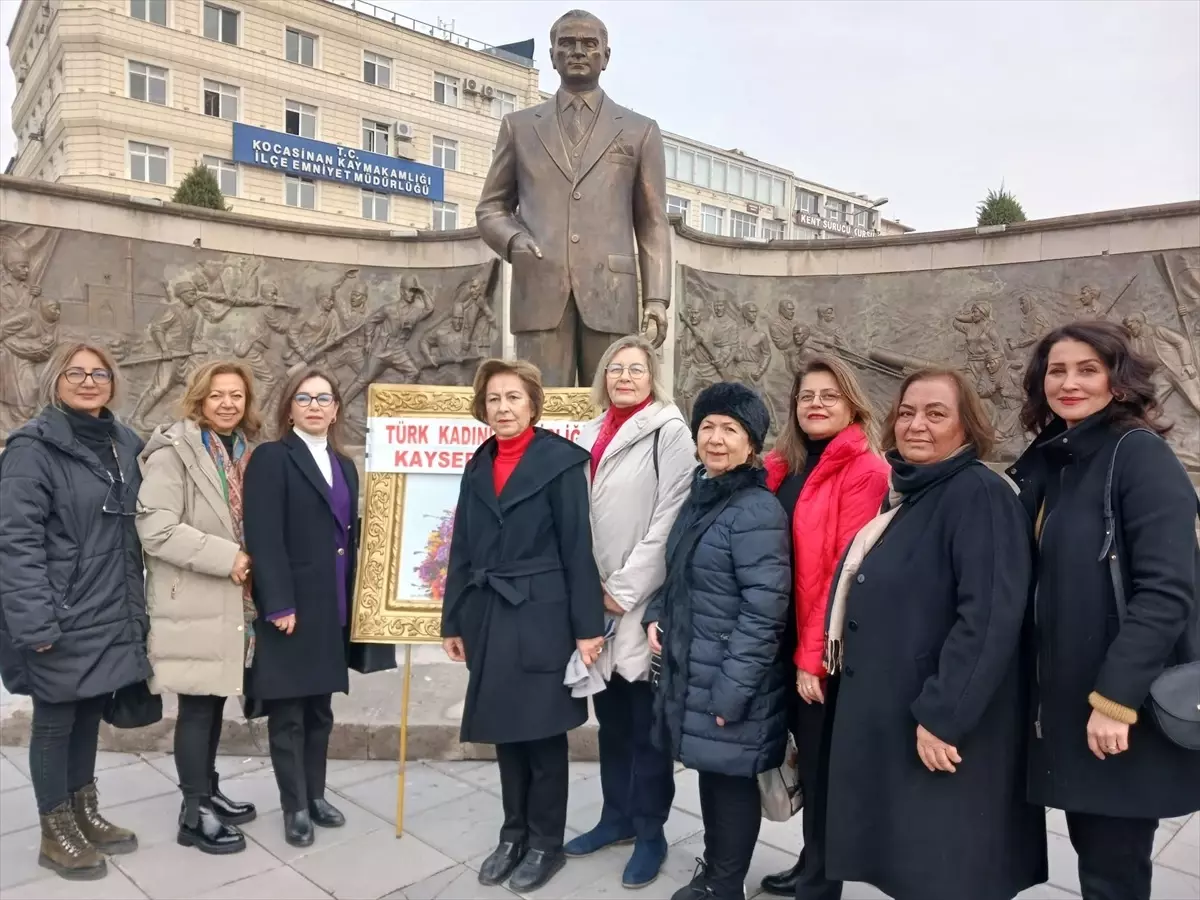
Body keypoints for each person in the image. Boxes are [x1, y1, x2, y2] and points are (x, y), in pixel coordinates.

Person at [821, 368, 1047, 900]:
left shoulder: (980, 495)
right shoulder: (917, 493)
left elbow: (989, 617)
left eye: (935, 413)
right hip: (906, 715)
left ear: (967, 427)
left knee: (948, 868)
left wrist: (944, 716)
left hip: (944, 726)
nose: (915, 424)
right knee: (918, 863)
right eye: (906, 412)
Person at [1008, 321, 1200, 900]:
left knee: (1112, 872)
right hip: (1067, 699)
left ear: (1118, 383)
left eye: (1087, 370)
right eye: (1057, 370)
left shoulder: (1138, 455)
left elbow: (1168, 591)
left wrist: (1115, 702)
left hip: (1117, 708)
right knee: (1096, 860)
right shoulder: (1056, 458)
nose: (1069, 382)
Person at [441, 359, 605, 893]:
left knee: (541, 734)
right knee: (505, 733)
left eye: (514, 398)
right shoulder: (477, 463)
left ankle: (545, 843)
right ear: (482, 408)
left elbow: (578, 549)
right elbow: (461, 547)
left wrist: (586, 629)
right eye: (494, 399)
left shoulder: (559, 463)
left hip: (542, 614)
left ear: (533, 403)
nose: (504, 408)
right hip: (488, 612)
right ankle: (512, 835)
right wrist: (453, 620)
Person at [0, 342, 150, 881]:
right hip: (60, 613)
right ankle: (54, 829)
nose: (89, 381)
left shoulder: (124, 442)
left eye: (99, 373)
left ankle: (84, 812)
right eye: (76, 373)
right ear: (55, 381)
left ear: (113, 381)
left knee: (89, 713)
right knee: (57, 719)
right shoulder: (31, 450)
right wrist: (34, 621)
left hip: (110, 605)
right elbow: (15, 541)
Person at [644, 382, 792, 900]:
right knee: (713, 773)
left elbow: (765, 609)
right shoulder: (703, 492)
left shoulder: (754, 509)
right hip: (697, 668)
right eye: (707, 426)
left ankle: (726, 884)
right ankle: (717, 869)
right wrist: (657, 615)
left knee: (730, 782)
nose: (716, 438)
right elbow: (678, 568)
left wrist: (733, 690)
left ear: (752, 443)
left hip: (729, 677)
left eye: (730, 429)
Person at [568, 335, 696, 888]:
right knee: (613, 720)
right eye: (615, 368)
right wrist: (585, 588)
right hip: (595, 600)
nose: (624, 376)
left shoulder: (670, 432)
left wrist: (621, 590)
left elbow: (672, 516)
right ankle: (615, 816)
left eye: (636, 369)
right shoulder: (587, 431)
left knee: (647, 728)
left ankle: (651, 831)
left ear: (652, 377)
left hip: (639, 603)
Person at [759, 356, 888, 900]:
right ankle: (811, 863)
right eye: (807, 395)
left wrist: (813, 656)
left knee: (823, 770)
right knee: (806, 766)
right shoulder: (782, 466)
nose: (815, 404)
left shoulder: (866, 470)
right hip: (780, 639)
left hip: (822, 649)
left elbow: (844, 568)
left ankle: (821, 883)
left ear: (853, 404)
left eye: (829, 396)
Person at [136, 360, 262, 855]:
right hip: (193, 597)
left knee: (212, 702)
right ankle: (193, 813)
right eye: (217, 395)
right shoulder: (174, 453)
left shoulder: (244, 452)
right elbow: (155, 528)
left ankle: (206, 792)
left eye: (236, 395)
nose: (228, 403)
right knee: (196, 704)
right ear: (199, 400)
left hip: (231, 599)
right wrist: (227, 556)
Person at [242, 369, 371, 848]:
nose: (315, 406)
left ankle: (316, 795)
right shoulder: (272, 459)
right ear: (289, 408)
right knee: (289, 713)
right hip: (291, 608)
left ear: (336, 408)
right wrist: (277, 602)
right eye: (304, 398)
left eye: (324, 398)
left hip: (332, 605)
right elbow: (264, 535)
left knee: (320, 711)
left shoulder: (344, 465)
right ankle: (294, 805)